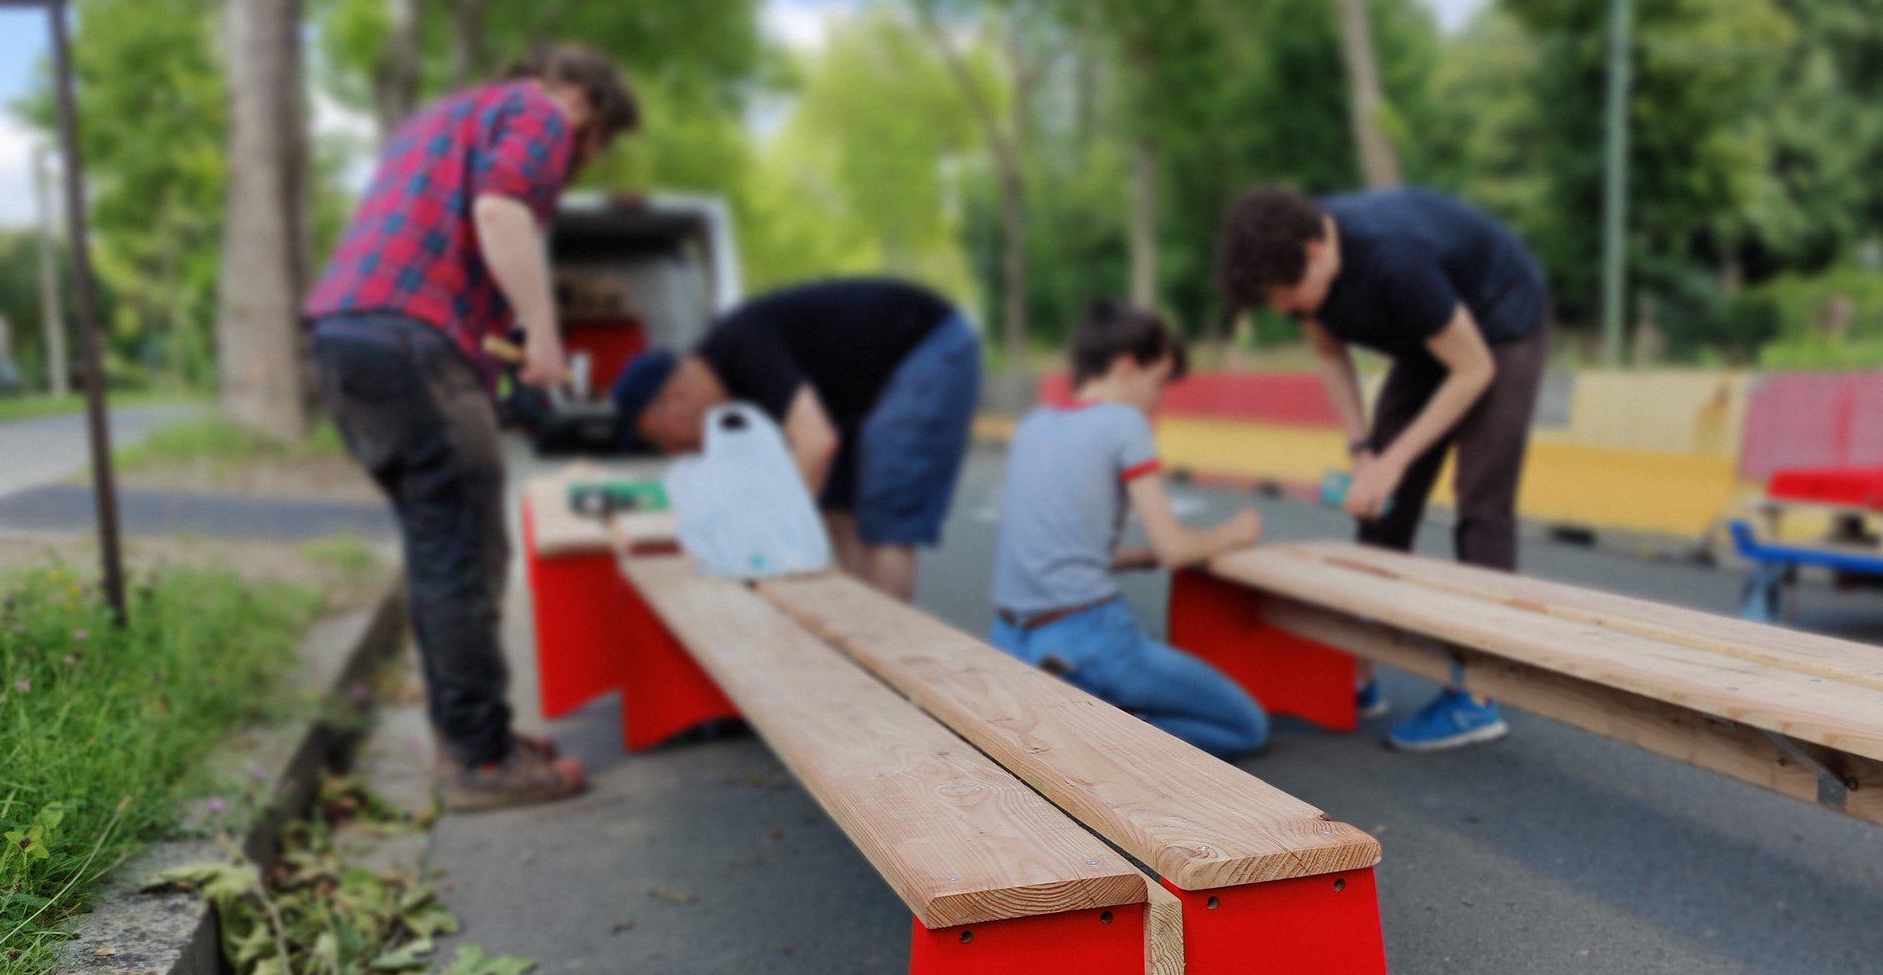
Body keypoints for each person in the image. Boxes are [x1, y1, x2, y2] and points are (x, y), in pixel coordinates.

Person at [305, 42, 639, 811]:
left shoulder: (438, 122)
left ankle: (474, 739)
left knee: (439, 549)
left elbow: (462, 274)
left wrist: (509, 392)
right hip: (411, 342)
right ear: (581, 100)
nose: (579, 157)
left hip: (349, 341)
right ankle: (483, 762)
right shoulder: (536, 110)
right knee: (464, 555)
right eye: (594, 140)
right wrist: (547, 338)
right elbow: (500, 211)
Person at [1217, 184, 1550, 753]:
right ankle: (1361, 680)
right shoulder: (1301, 264)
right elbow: (1329, 354)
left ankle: (1478, 696)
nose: (1287, 309)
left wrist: (1394, 461)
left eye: (1291, 297)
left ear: (1317, 252)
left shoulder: (1394, 259)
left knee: (1481, 501)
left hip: (1500, 327)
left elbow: (1472, 370)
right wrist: (1364, 452)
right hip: (1426, 342)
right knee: (1380, 510)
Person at [988, 300, 1268, 759]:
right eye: (1158, 382)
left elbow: (1058, 549)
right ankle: (1113, 737)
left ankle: (1089, 723)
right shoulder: (1124, 422)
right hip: (1089, 641)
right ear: (1126, 366)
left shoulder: (1034, 425)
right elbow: (1177, 549)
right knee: (1246, 725)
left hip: (1012, 640)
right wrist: (1237, 531)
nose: (1159, 399)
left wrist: (1142, 555)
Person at [608, 278, 981, 602]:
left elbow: (815, 443)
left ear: (676, 396)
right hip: (859, 392)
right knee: (836, 506)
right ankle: (861, 636)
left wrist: (767, 544)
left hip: (925, 345)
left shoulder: (739, 345)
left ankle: (890, 651)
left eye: (661, 437)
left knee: (887, 504)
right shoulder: (729, 381)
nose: (673, 451)